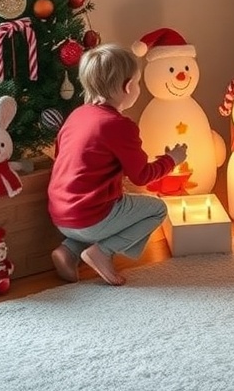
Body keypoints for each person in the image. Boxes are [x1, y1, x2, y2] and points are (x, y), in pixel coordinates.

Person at [47, 43, 187, 286]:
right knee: (157, 209)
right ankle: (103, 252)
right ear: (128, 86)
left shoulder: (76, 116)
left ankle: (68, 250)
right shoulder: (119, 126)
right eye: (138, 83)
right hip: (90, 218)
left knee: (103, 210)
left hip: (60, 216)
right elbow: (142, 176)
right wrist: (171, 160)